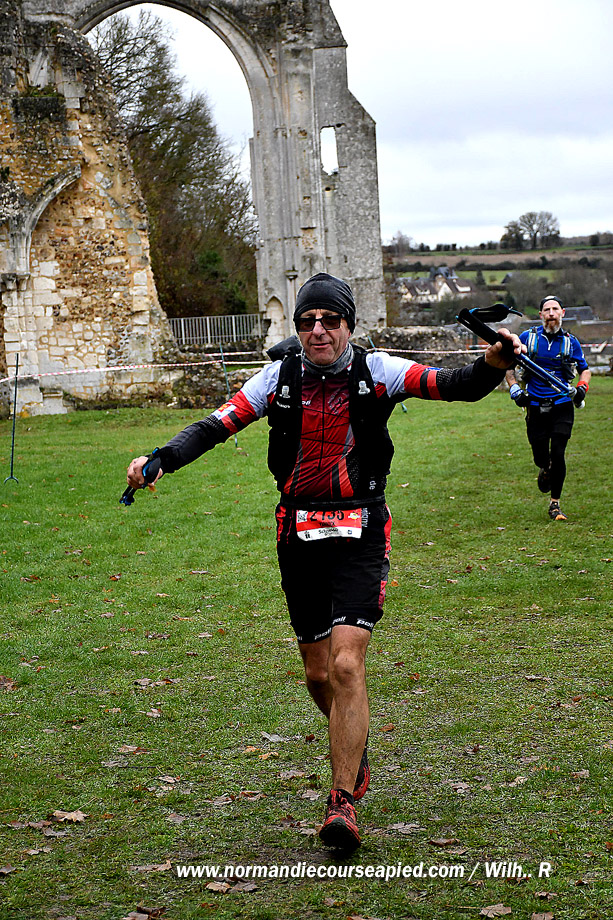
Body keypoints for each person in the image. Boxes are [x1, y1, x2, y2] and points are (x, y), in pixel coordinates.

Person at [127, 272, 522, 851]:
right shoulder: (277, 379)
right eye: (307, 321)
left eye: (330, 320)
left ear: (349, 326)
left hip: (361, 530)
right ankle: (353, 749)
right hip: (298, 531)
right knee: (317, 674)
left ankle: (342, 803)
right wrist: (161, 458)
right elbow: (215, 426)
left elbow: (452, 384)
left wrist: (491, 365)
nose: (318, 330)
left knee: (345, 665)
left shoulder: (378, 370)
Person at [505, 295, 590, 522]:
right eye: (547, 310)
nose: (551, 313)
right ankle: (544, 466)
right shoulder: (527, 338)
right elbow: (509, 367)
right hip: (535, 404)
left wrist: (582, 387)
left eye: (555, 309)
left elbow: (585, 369)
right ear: (541, 314)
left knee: (559, 453)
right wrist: (514, 388)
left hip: (562, 404)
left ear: (563, 312)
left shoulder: (571, 342)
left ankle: (555, 505)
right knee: (541, 456)